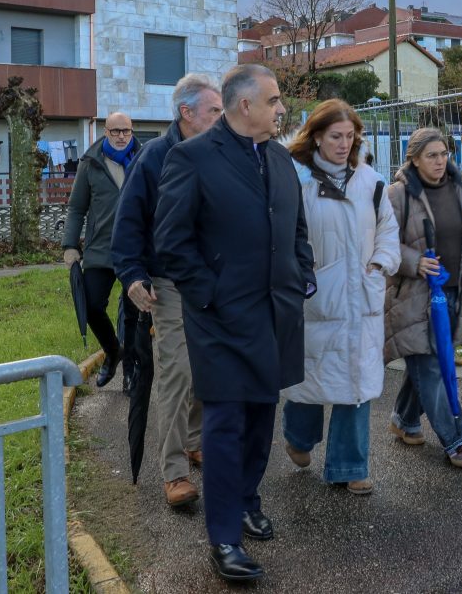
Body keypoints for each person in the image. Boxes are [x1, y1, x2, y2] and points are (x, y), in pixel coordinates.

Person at [154, 65, 315, 584]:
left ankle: (246, 498)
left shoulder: (279, 159)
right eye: (273, 101)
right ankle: (223, 537)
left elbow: (296, 228)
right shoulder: (192, 157)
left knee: (260, 421)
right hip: (221, 320)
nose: (281, 109)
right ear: (244, 105)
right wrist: (210, 295)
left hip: (275, 314)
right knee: (224, 426)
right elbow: (172, 241)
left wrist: (301, 274)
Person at [111, 74, 223, 509]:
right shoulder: (155, 157)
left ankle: (195, 440)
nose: (220, 117)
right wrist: (133, 275)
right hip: (169, 282)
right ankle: (175, 471)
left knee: (205, 366)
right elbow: (129, 223)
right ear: (186, 113)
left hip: (213, 280)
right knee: (176, 371)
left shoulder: (222, 152)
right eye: (214, 110)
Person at [281, 99, 400, 495]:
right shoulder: (294, 179)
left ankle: (350, 467)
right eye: (335, 136)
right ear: (316, 136)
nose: (343, 143)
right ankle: (299, 440)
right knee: (310, 380)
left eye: (349, 136)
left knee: (357, 383)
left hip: (362, 298)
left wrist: (381, 263)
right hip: (315, 299)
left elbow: (388, 228)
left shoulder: (371, 181)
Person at [384, 128, 462, 468]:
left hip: (454, 290)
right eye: (432, 155)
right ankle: (456, 440)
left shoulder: (461, 189)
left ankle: (403, 419)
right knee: (434, 367)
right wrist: (415, 263)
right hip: (413, 297)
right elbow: (380, 245)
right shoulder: (397, 195)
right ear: (413, 159)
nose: (440, 161)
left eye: (444, 154)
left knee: (427, 357)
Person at [63, 111, 142, 388]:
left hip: (136, 250)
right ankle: (112, 351)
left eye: (126, 131)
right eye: (115, 131)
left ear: (132, 132)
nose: (121, 136)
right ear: (105, 132)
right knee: (93, 304)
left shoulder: (143, 159)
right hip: (101, 249)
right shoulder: (90, 163)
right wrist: (70, 246)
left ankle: (131, 369)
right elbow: (76, 209)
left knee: (134, 313)